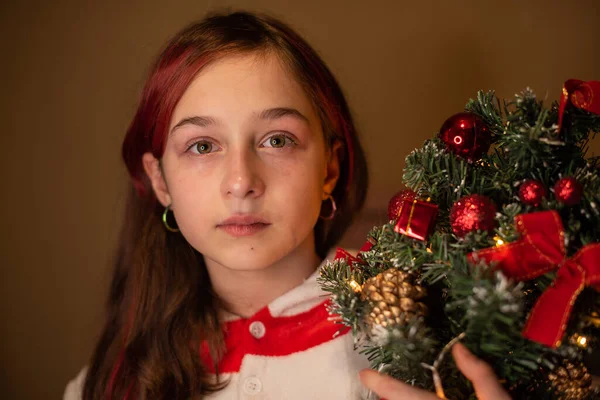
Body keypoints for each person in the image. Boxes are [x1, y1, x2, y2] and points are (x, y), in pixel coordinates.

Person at [63, 11, 510, 400]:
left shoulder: (428, 344)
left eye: (277, 140)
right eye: (202, 146)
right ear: (161, 180)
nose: (241, 182)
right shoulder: (103, 386)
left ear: (329, 170)